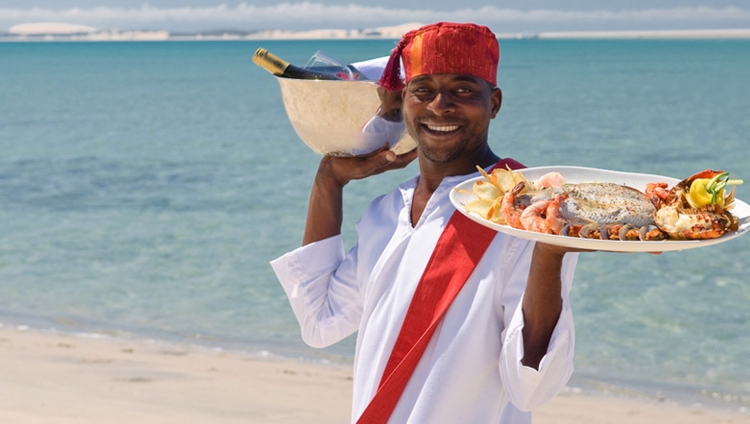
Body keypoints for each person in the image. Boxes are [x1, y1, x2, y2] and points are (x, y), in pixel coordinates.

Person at [270, 22, 579, 424]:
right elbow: (319, 321)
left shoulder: (524, 213)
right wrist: (329, 178)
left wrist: (550, 252)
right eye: (423, 91)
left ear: (495, 103)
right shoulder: (387, 213)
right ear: (403, 104)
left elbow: (531, 386)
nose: (439, 105)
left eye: (463, 90)